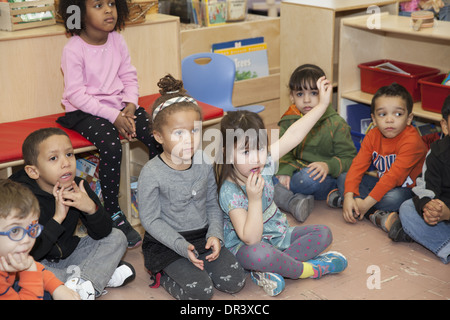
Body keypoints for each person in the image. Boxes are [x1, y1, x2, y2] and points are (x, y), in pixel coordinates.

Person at [215, 76, 347, 297]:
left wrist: (323, 104)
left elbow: (294, 134)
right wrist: (255, 200)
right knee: (258, 255)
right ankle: (308, 269)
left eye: (259, 148)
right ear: (228, 153)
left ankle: (274, 270)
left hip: (279, 236)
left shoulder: (263, 162)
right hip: (249, 248)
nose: (256, 158)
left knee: (324, 232)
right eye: (245, 152)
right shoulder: (229, 191)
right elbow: (250, 239)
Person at [56, 0, 162, 248]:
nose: (108, 10)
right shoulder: (73, 49)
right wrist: (112, 116)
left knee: (156, 133)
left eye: (112, 4)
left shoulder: (117, 40)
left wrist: (130, 105)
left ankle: (160, 196)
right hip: (83, 110)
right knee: (111, 145)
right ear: (79, 13)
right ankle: (113, 211)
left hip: (118, 107)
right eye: (98, 5)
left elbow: (129, 76)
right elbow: (76, 94)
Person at [138, 75, 246, 300]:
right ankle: (162, 274)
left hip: (202, 237)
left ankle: (198, 267)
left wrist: (215, 235)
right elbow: (151, 220)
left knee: (235, 282)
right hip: (167, 242)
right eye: (178, 133)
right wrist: (180, 245)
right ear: (158, 136)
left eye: (194, 130)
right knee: (201, 292)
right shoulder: (151, 172)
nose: (189, 139)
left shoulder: (203, 161)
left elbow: (212, 205)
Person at [9, 128, 135, 299]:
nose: (66, 163)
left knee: (118, 237)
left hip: (70, 254)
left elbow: (103, 233)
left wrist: (90, 208)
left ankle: (81, 284)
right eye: (54, 158)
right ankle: (92, 278)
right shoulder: (21, 197)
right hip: (38, 262)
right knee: (23, 272)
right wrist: (57, 218)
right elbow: (29, 253)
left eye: (69, 154)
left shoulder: (77, 186)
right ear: (33, 171)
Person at [327, 83, 428, 233]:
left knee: (395, 198)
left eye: (398, 114)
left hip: (407, 190)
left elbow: (394, 178)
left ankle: (361, 208)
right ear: (373, 119)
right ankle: (372, 213)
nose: (389, 120)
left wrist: (366, 203)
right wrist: (349, 196)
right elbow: (357, 167)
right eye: (383, 114)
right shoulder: (372, 135)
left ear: (409, 118)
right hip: (382, 185)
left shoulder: (412, 141)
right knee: (344, 178)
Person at [275, 64, 356, 222]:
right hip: (297, 171)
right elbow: (284, 152)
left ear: (324, 94)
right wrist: (284, 170)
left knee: (306, 179)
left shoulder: (336, 123)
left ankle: (289, 196)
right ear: (291, 97)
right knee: (263, 174)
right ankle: (294, 203)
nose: (306, 100)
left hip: (322, 178)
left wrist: (327, 166)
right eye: (300, 94)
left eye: (313, 93)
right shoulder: (289, 119)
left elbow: (349, 158)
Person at [0, 179, 80, 300]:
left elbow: (39, 270)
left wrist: (57, 287)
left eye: (32, 228)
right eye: (15, 231)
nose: (27, 239)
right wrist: (30, 269)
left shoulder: (10, 255)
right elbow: (32, 269)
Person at [394, 95, 450, 264]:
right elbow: (424, 188)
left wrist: (448, 213)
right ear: (445, 126)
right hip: (443, 216)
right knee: (408, 208)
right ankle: (446, 248)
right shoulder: (437, 153)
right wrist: (429, 206)